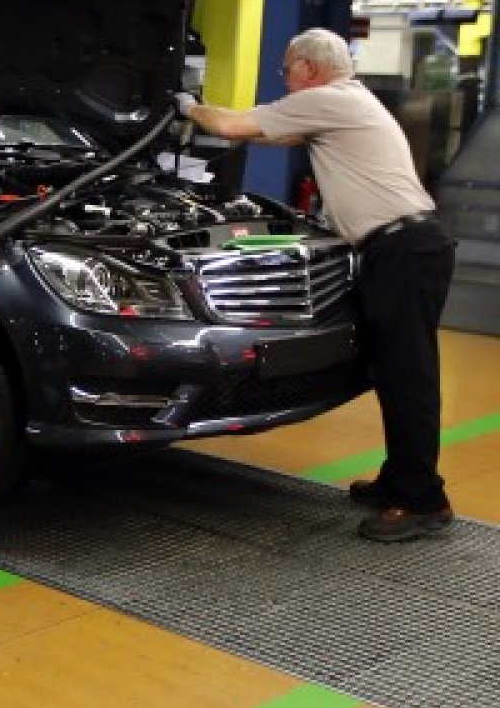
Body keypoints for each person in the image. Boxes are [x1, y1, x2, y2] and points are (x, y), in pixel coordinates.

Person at [178, 28, 457, 542]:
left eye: (286, 70)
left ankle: (423, 501)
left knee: (408, 377)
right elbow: (268, 134)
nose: (284, 79)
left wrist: (187, 106)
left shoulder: (327, 100)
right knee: (392, 371)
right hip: (404, 247)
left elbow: (232, 125)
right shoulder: (347, 101)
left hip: (403, 250)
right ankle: (401, 478)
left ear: (309, 68)